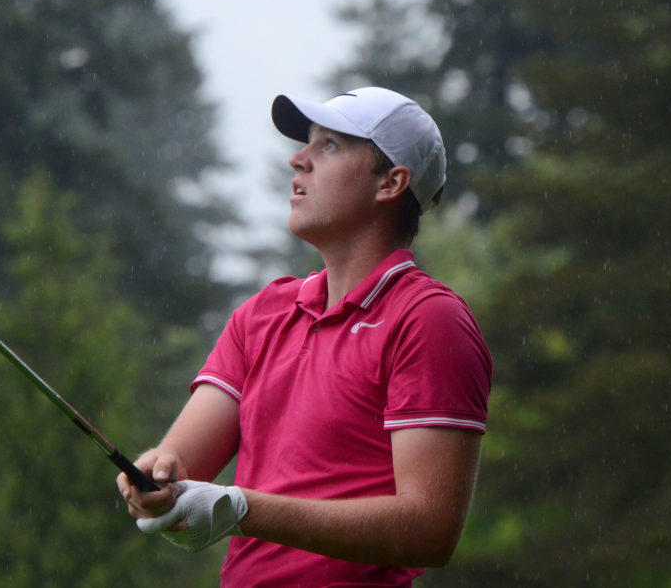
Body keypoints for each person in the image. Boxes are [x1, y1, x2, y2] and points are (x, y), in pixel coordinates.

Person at [118, 86, 493, 586]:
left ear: (391, 182)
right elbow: (182, 462)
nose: (298, 160)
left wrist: (242, 508)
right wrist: (156, 477)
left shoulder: (427, 319)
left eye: (330, 146)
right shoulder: (263, 313)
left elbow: (429, 530)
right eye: (306, 144)